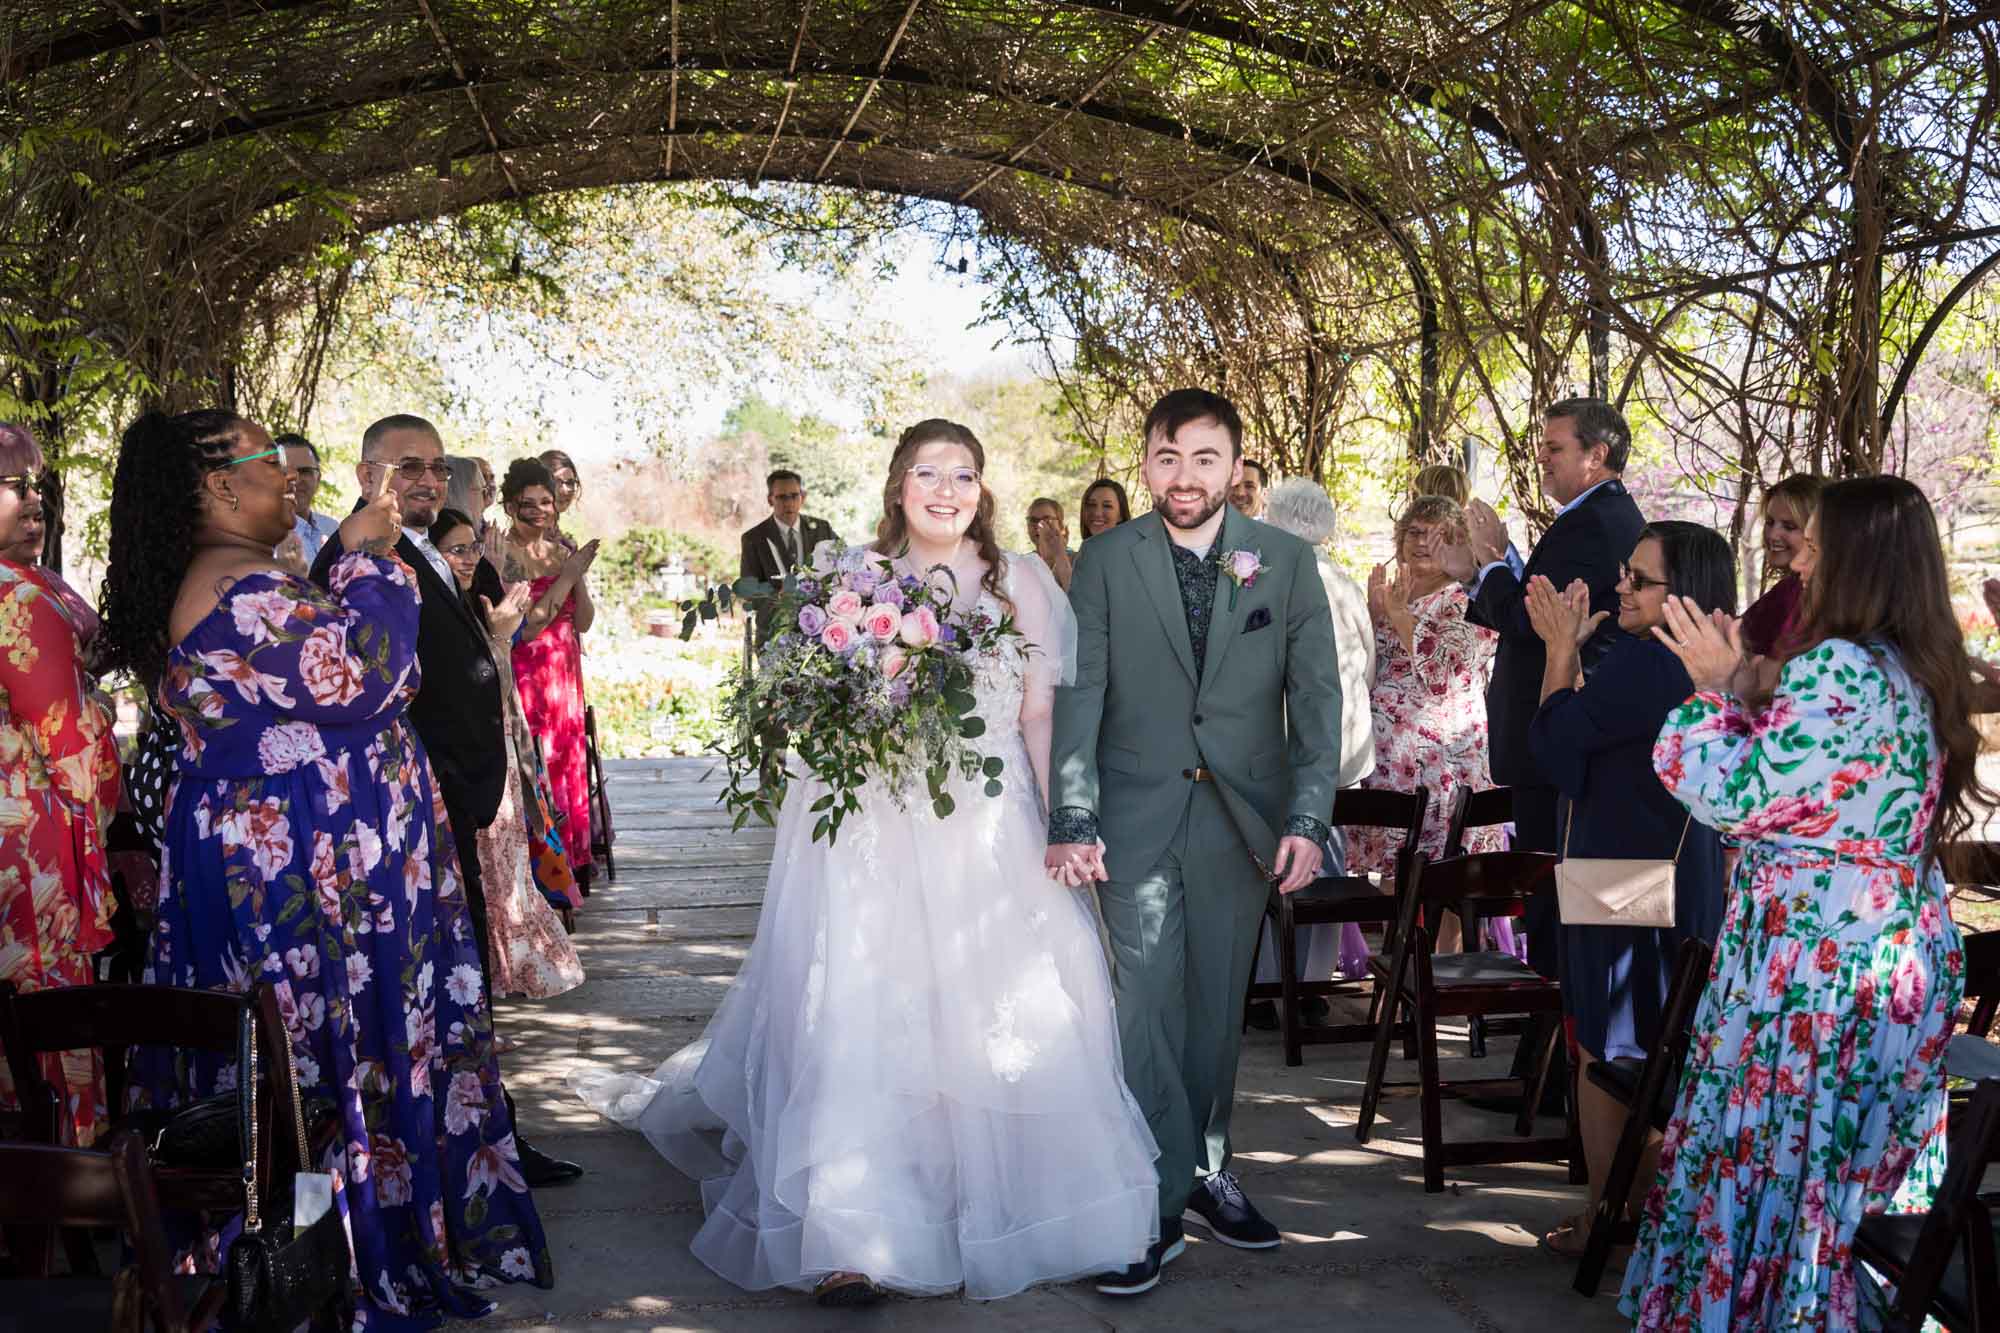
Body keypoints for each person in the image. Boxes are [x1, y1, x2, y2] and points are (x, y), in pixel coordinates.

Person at [573, 419, 1160, 1306]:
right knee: (867, 1011)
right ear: (897, 484)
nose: (946, 489)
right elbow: (817, 711)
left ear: (982, 487)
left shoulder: (1022, 582)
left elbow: (1038, 713)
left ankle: (1016, 1200)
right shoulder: (855, 580)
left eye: (964, 473)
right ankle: (854, 1229)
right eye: (929, 472)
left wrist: (1065, 823)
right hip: (880, 827)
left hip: (989, 826)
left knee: (1007, 1007)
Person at [96, 410, 554, 1327]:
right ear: (222, 485)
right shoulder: (231, 583)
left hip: (319, 860)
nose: (289, 479)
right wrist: (375, 558)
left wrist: (338, 550)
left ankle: (336, 1240)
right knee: (313, 1057)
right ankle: (314, 1257)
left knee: (320, 1058)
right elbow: (370, 671)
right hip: (301, 880)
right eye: (272, 462)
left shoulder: (251, 575)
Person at [1632, 476, 1980, 1326]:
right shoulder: (1916, 667)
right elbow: (1817, 790)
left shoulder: (1840, 668)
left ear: (1860, 559)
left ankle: (1778, 1312)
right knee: (1849, 1164)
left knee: (1787, 1161)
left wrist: (1712, 690)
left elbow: (1731, 792)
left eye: (1817, 540)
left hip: (1814, 964)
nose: (1802, 554)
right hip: (1892, 955)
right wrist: (1753, 698)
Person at [1047, 388, 1341, 1295]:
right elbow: (1081, 692)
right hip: (1132, 815)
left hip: (1241, 819)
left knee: (1215, 1009)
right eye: (1168, 457)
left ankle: (1210, 1168)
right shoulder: (1103, 558)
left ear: (1234, 467)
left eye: (1204, 458)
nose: (1185, 476)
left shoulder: (1285, 561)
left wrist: (1306, 818)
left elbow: (1316, 699)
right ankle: (1154, 1200)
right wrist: (1072, 812)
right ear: (1145, 462)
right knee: (1143, 1006)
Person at [312, 416, 581, 1187]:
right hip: (417, 804)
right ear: (367, 475)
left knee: (469, 993)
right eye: (407, 467)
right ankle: (460, 1152)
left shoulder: (425, 544)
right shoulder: (359, 549)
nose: (427, 480)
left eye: (435, 466)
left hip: (462, 796)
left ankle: (491, 1136)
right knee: (443, 989)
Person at [1522, 521, 1731, 1259]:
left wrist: (1557, 651)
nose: (1623, 587)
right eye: (1625, 571)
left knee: (1606, 1050)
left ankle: (1606, 1219)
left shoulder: (1649, 665)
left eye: (1642, 579)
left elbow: (1550, 743)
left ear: (1687, 590)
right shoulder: (1694, 661)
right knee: (1645, 1046)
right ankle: (1634, 1212)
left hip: (1622, 876)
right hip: (1670, 870)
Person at [1432, 397, 1645, 1107]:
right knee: (1551, 903)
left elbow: (1532, 615)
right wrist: (1483, 572)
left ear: (1598, 455)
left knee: (1561, 907)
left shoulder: (1600, 523)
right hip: (1549, 743)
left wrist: (1492, 565)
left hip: (1566, 744)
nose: (1543, 457)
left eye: (1555, 447)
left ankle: (1561, 1076)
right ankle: (1547, 1066)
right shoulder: (1588, 519)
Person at [0, 424, 120, 1147]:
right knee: (39, 1005)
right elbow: (73, 748)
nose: (35, 500)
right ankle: (62, 1180)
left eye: (39, 485)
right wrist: (101, 710)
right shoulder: (18, 598)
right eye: (17, 485)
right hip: (26, 847)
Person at [431, 507, 585, 999]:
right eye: (456, 549)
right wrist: (499, 633)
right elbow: (468, 680)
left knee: (509, 855)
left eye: (473, 548)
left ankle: (509, 959)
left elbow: (502, 658)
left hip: (500, 736)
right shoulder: (435, 604)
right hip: (466, 748)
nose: (469, 558)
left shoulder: (474, 592)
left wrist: (501, 628)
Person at [1246, 478, 1376, 1027]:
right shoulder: (1344, 583)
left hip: (1281, 745)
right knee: (1326, 864)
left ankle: (1269, 987)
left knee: (1267, 864)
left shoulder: (1265, 582)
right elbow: (1367, 667)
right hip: (1343, 751)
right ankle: (1313, 985)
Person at [1350, 496, 1504, 933]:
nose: (1421, 542)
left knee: (1447, 874)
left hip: (1443, 760)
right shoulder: (1396, 588)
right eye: (1414, 531)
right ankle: (1401, 975)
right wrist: (1373, 613)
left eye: (1436, 534)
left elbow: (1445, 673)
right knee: (1395, 873)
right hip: (1389, 759)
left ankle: (1439, 977)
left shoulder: (1469, 598)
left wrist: (1397, 615)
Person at [500, 459, 600, 889]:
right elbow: (533, 623)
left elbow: (584, 621)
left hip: (565, 674)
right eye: (529, 503)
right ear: (509, 505)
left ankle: (572, 860)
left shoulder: (561, 551)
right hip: (529, 670)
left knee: (567, 759)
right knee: (538, 762)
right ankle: (545, 866)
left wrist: (575, 575)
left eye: (546, 501)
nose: (540, 510)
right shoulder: (503, 554)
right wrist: (569, 575)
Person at [1738, 472, 1823, 658]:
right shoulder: (1789, 588)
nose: (1772, 535)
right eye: (1769, 522)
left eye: (1789, 526)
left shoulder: (1818, 595)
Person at [277, 432, 340, 568]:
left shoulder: (332, 528)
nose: (297, 479)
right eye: (285, 472)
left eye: (305, 471)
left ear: (318, 478)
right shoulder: (264, 538)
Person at [1027, 495, 1076, 591]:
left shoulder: (1077, 560)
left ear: (1061, 525)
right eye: (1033, 520)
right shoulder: (1024, 563)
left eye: (1047, 520)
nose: (1039, 526)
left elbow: (1076, 598)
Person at [538, 447, 583, 544]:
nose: (565, 490)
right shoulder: (523, 539)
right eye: (556, 481)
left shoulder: (568, 545)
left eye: (570, 482)